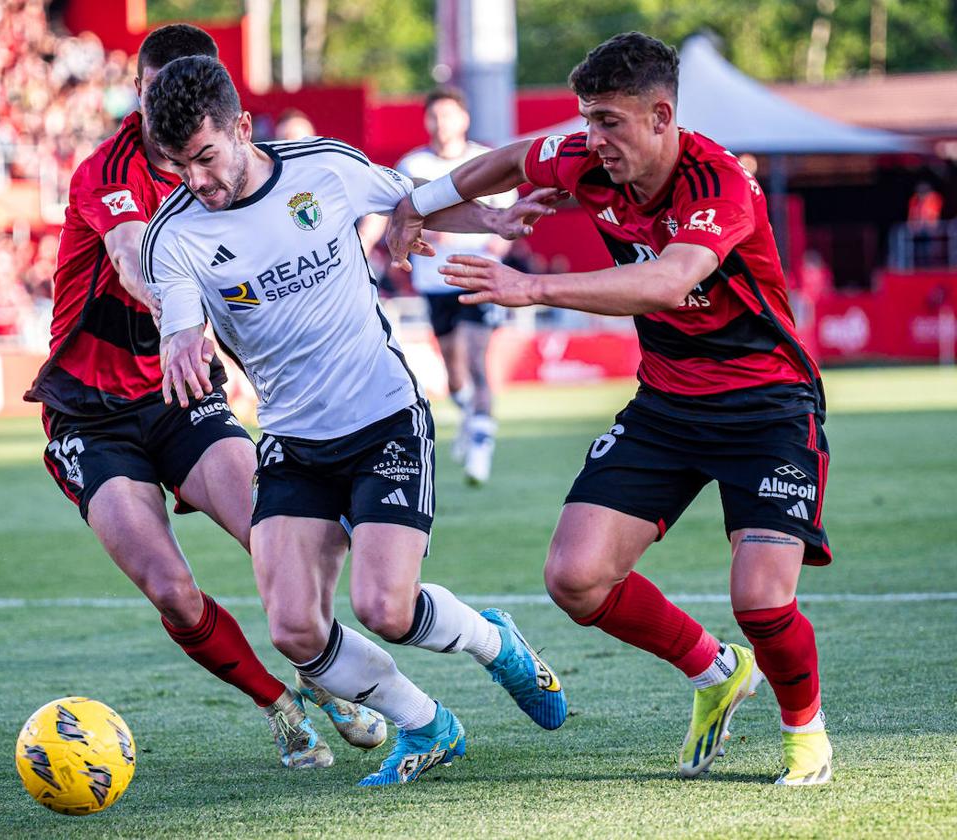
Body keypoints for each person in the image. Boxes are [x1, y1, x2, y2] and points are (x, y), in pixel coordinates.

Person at [388, 32, 834, 786]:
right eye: (587, 119)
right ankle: (716, 672)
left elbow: (668, 281)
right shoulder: (584, 156)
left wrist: (532, 288)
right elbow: (505, 160)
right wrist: (416, 203)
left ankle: (805, 731)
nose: (591, 140)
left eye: (609, 123)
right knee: (575, 577)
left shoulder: (718, 182)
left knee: (761, 600)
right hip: (667, 403)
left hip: (768, 407)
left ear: (662, 116)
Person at [141, 56, 567, 787]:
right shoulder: (173, 235)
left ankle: (493, 642)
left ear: (242, 129)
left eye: (206, 158)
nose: (196, 181)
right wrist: (180, 337)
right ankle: (428, 726)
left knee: (385, 608)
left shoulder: (325, 168)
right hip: (292, 442)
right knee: (294, 627)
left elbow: (415, 200)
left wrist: (489, 219)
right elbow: (179, 314)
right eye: (178, 166)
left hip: (384, 420)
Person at [24, 24, 385, 772]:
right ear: (139, 92)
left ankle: (315, 669)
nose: (172, 116)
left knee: (292, 536)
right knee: (173, 589)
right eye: (160, 95)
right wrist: (179, 319)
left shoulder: (238, 171)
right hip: (93, 414)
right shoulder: (110, 169)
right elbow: (129, 257)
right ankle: (279, 706)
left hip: (180, 398)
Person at [395, 86, 516, 484]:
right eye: (434, 116)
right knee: (454, 373)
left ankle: (482, 444)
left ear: (464, 119)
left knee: (477, 357)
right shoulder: (413, 163)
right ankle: (470, 417)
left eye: (448, 115)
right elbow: (402, 219)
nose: (441, 123)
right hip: (435, 283)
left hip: (480, 277)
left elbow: (507, 223)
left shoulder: (486, 161)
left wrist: (478, 240)